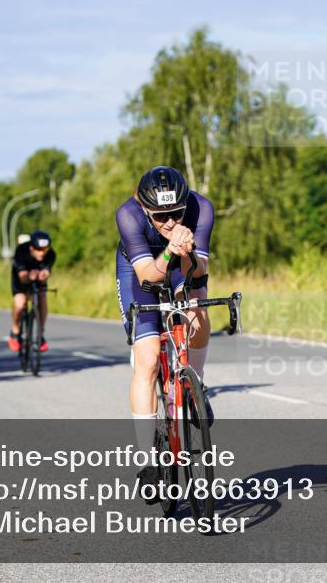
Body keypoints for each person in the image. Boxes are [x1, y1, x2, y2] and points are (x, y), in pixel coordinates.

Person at [115, 166, 214, 501]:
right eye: (161, 216)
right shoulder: (128, 216)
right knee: (148, 361)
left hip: (179, 265)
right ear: (145, 210)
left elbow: (197, 276)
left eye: (176, 213)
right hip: (140, 272)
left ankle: (194, 384)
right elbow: (148, 276)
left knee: (197, 315)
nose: (171, 222)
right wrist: (170, 249)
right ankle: (146, 460)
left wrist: (186, 254)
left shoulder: (201, 208)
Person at [8, 230, 56, 353]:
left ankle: (40, 335)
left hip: (37, 279)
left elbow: (46, 272)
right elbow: (23, 277)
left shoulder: (51, 254)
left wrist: (44, 275)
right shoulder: (21, 252)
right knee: (20, 303)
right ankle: (15, 330)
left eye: (44, 249)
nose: (42, 253)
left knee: (42, 297)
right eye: (38, 249)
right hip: (20, 279)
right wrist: (30, 275)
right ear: (31, 247)